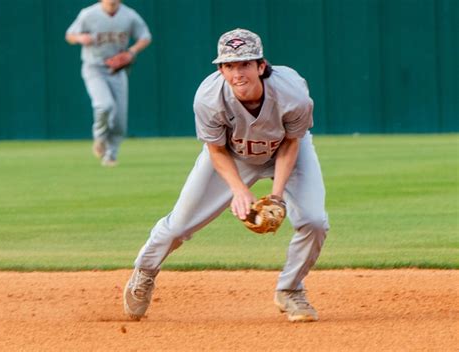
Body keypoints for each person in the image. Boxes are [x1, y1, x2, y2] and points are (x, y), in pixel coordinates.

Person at [124, 28, 329, 322]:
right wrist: (239, 190)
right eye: (229, 66)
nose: (237, 73)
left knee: (314, 221)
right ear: (221, 69)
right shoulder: (208, 99)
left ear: (261, 66)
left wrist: (277, 195)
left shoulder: (293, 94)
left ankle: (290, 289)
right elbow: (216, 150)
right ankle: (145, 271)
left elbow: (291, 142)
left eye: (245, 64)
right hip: (232, 154)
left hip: (284, 150)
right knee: (180, 225)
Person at [65, 0, 152, 167]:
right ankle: (100, 137)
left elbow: (145, 37)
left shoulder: (129, 15)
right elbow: (69, 35)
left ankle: (111, 154)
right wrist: (79, 38)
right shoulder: (88, 14)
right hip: (94, 67)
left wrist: (131, 51)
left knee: (120, 120)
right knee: (104, 105)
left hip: (117, 71)